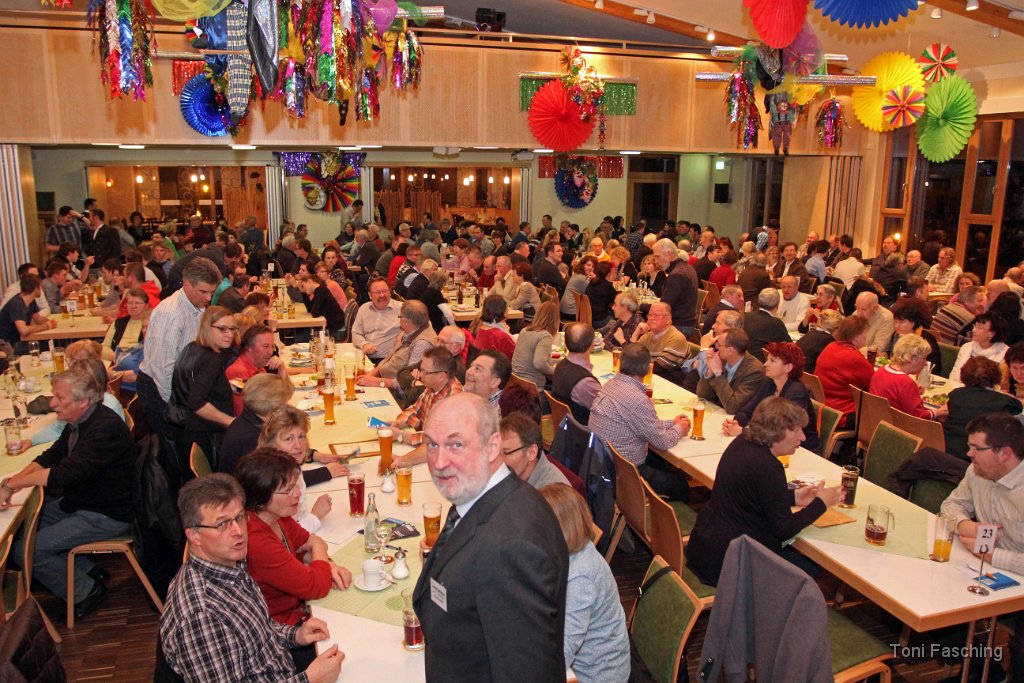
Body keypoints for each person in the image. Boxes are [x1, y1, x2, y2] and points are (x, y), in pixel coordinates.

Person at [413, 393, 569, 681]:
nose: (439, 462)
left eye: (456, 444)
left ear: (493, 447)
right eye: (432, 444)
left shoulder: (512, 548)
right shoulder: (478, 494)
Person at [159, 474, 344, 682]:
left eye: (239, 518)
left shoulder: (230, 564)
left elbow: (256, 630)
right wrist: (310, 679)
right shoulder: (201, 616)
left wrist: (295, 635)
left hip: (282, 665)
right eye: (222, 524)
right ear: (194, 536)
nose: (238, 531)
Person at [1, 367, 135, 620]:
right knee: (24, 526)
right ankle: (87, 570)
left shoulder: (102, 429)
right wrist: (14, 482)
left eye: (59, 398)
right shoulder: (82, 421)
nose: (52, 403)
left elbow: (63, 475)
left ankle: (85, 591)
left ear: (82, 401)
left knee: (26, 550)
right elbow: (52, 456)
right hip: (85, 502)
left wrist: (12, 486)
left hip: (107, 513)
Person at [687, 397, 842, 585]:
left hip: (706, 548)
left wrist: (794, 496)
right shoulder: (769, 466)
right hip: (731, 564)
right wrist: (821, 504)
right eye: (796, 430)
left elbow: (754, 494)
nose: (802, 437)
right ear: (777, 431)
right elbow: (784, 529)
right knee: (808, 571)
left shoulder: (742, 442)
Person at [234, 449, 351, 669]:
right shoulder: (257, 540)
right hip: (283, 634)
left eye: (296, 486)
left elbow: (304, 544)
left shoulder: (277, 516)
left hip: (302, 613)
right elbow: (315, 586)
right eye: (288, 490)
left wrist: (328, 564)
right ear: (261, 497)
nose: (298, 494)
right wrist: (319, 548)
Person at [939, 414, 1024, 683]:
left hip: (1012, 571)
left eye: (976, 447)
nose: (969, 453)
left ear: (1004, 453)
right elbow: (951, 505)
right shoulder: (978, 471)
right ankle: (984, 671)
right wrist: (968, 526)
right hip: (985, 569)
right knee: (937, 602)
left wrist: (992, 554)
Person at [537, 484, 629, 683]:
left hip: (596, 674)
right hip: (582, 661)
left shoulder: (581, 577)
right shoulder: (570, 551)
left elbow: (562, 655)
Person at [590, 344, 692, 501]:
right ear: (647, 369)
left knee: (663, 466)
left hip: (601, 465)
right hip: (624, 474)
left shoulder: (610, 384)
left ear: (621, 362)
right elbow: (662, 442)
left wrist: (672, 423)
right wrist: (680, 429)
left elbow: (642, 423)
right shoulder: (638, 399)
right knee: (682, 486)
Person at [138, 257, 221, 436]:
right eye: (203, 292)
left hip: (181, 385)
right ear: (187, 285)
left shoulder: (196, 304)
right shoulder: (171, 314)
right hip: (160, 390)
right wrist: (181, 405)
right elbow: (162, 370)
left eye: (212, 292)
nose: (209, 298)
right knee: (174, 444)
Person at [167, 305, 237, 469]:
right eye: (222, 329)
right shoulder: (211, 360)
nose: (229, 335)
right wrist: (230, 421)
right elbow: (196, 403)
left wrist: (226, 387)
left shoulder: (192, 347)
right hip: (201, 434)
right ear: (207, 327)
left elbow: (193, 385)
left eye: (232, 329)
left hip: (180, 428)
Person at [258, 406, 346, 533]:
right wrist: (315, 516)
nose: (298, 445)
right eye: (289, 439)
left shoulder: (291, 468)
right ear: (272, 444)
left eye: (301, 436)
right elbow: (286, 535)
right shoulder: (272, 482)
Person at [723, 342, 819, 451]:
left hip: (801, 449)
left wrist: (742, 431)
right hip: (773, 443)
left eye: (772, 361)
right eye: (768, 359)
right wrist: (736, 423)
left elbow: (779, 431)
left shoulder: (796, 393)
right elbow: (748, 411)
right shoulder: (770, 382)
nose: (765, 364)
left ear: (788, 367)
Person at [944, 357, 1022, 461]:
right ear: (996, 377)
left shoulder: (955, 395)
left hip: (946, 453)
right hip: (980, 460)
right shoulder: (1006, 403)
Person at [219, 374, 294, 474]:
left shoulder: (249, 420)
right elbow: (276, 477)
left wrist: (311, 455)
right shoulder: (252, 436)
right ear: (274, 404)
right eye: (285, 401)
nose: (286, 405)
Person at [357, 299, 436, 391]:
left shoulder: (422, 344)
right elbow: (388, 358)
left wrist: (377, 382)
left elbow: (409, 380)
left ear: (406, 321)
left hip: (396, 392)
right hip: (383, 379)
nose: (399, 320)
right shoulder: (412, 330)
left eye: (400, 316)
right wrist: (371, 375)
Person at [870, 334, 947, 420]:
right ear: (912, 358)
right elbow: (919, 417)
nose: (925, 363)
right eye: (924, 358)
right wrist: (939, 412)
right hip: (896, 425)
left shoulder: (881, 370)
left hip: (877, 420)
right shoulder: (906, 383)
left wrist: (913, 392)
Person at [816, 315, 874, 426]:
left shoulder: (830, 347)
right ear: (857, 337)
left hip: (823, 408)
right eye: (865, 334)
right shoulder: (854, 358)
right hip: (842, 415)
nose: (866, 337)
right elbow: (874, 383)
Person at [696, 328, 766, 414]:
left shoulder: (754, 371)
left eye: (719, 344)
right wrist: (711, 370)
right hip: (718, 412)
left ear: (730, 350)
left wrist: (718, 373)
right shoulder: (722, 359)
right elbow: (702, 395)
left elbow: (733, 407)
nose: (716, 346)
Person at [226, 324, 290, 414]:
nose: (270, 352)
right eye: (265, 346)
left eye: (272, 346)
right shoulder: (239, 372)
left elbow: (281, 397)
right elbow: (245, 414)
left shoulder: (259, 368)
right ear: (249, 347)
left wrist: (282, 370)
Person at [501, 413, 570, 489]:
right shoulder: (516, 474)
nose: (498, 460)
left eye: (505, 452)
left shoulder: (549, 492)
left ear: (531, 453)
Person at [636, 301, 691, 385]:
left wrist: (634, 365)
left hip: (673, 384)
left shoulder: (676, 338)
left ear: (668, 320)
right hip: (652, 380)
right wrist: (635, 334)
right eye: (650, 315)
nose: (651, 318)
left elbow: (657, 368)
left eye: (656, 315)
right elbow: (630, 358)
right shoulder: (647, 336)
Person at [350, 276, 402, 364]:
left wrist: (403, 333)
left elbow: (420, 326)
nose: (382, 295)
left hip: (387, 360)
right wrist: (364, 344)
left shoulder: (402, 309)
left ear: (390, 292)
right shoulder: (364, 309)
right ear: (370, 295)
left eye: (385, 291)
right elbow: (356, 333)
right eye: (378, 292)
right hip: (363, 355)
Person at [0, 274, 56, 352]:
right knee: (46, 344)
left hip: (19, 339)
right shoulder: (17, 304)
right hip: (8, 344)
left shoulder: (30, 300)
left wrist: (50, 322)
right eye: (40, 287)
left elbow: (37, 318)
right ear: (36, 289)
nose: (41, 289)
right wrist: (46, 326)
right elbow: (23, 331)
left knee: (51, 341)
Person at [654, 238, 700, 335]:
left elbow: (663, 308)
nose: (656, 261)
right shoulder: (687, 267)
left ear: (669, 254)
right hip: (687, 322)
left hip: (679, 326)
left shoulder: (677, 275)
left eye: (657, 257)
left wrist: (639, 306)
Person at [888, 296, 942, 376]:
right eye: (895, 321)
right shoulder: (896, 335)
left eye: (901, 322)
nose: (896, 326)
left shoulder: (926, 339)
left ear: (913, 322)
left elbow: (934, 368)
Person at [511, 301, 559, 389]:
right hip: (532, 388)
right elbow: (539, 364)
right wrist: (554, 370)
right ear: (555, 320)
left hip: (516, 383)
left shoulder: (524, 330)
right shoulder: (545, 336)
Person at [949, 313, 1009, 383]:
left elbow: (998, 383)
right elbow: (954, 374)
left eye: (979, 328)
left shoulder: (1005, 353)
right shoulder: (967, 347)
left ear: (992, 333)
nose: (974, 330)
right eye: (974, 326)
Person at [743, 288, 790, 362]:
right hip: (762, 363)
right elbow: (790, 348)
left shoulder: (747, 316)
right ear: (777, 304)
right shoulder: (775, 323)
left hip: (745, 359)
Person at [797, 308, 842, 374]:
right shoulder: (829, 341)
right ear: (837, 329)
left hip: (797, 373)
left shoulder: (811, 333)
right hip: (807, 376)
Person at [471, 294, 516, 360]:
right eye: (507, 307)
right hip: (501, 365)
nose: (508, 309)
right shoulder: (501, 336)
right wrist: (506, 333)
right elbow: (515, 356)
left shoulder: (481, 328)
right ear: (500, 310)